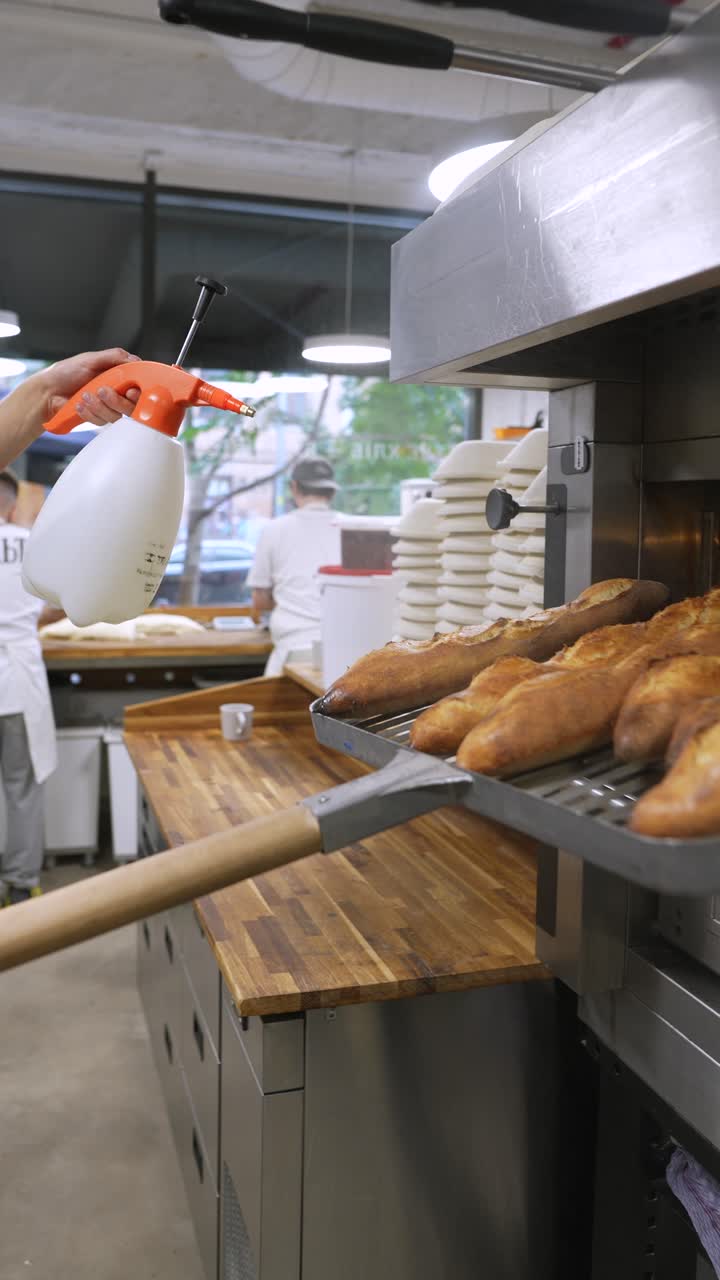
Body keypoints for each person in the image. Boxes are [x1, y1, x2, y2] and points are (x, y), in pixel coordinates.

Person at [0, 349, 141, 901]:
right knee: (22, 786)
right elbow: (67, 600)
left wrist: (42, 394)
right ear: (11, 505)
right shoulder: (29, 540)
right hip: (20, 677)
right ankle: (22, 883)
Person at [249, 456, 341, 676]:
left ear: (294, 487)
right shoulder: (351, 529)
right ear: (332, 492)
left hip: (292, 649)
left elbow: (260, 600)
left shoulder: (273, 530)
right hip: (345, 650)